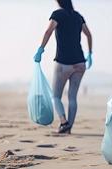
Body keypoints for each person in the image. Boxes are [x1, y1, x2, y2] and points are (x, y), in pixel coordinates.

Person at [34, 0, 93, 134]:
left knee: (56, 97)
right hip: (80, 63)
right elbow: (89, 34)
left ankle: (63, 122)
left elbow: (49, 31)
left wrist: (40, 49)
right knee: (72, 97)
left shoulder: (57, 15)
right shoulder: (78, 16)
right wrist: (90, 53)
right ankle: (69, 128)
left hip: (63, 63)